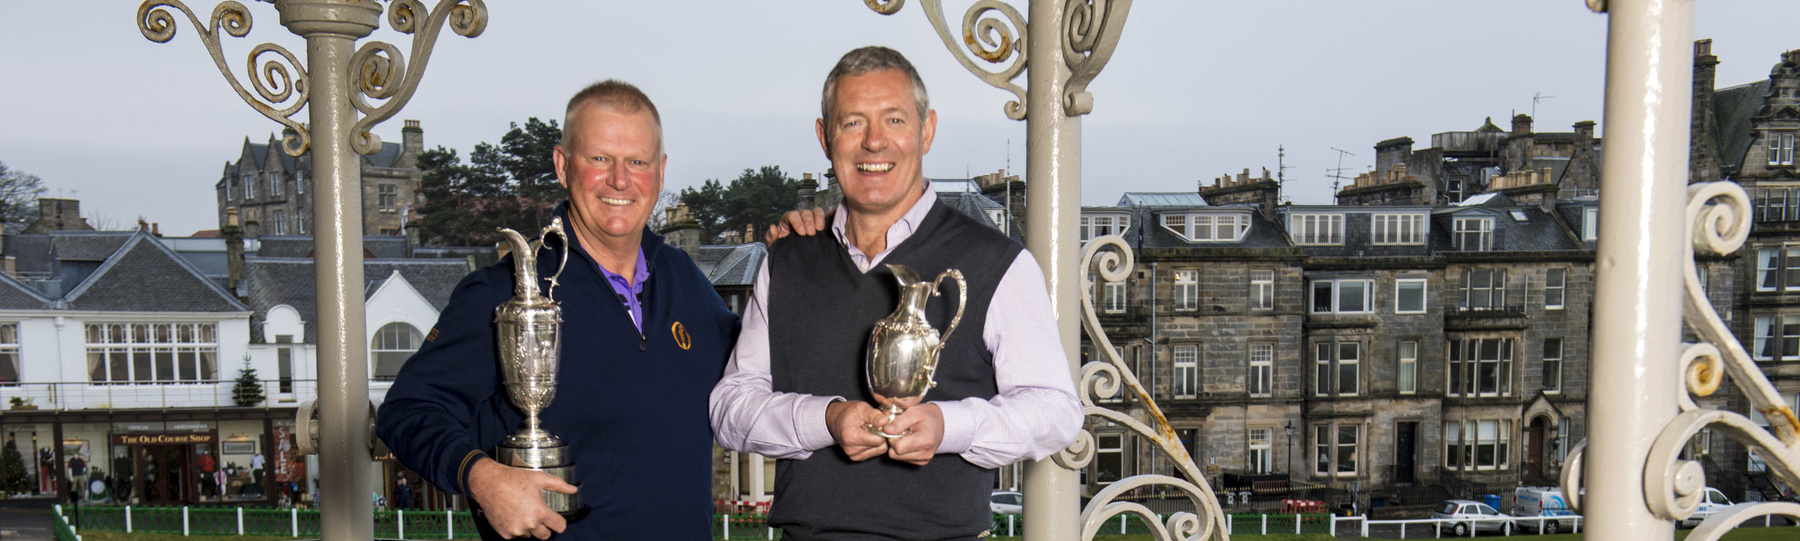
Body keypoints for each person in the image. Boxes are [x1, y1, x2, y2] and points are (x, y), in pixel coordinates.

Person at [710, 46, 1084, 540]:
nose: (874, 143)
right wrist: (827, 418)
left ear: (926, 130)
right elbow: (730, 408)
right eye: (852, 123)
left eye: (893, 120)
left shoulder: (999, 263)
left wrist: (948, 427)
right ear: (825, 138)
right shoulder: (787, 262)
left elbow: (1057, 412)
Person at [377, 79, 740, 540]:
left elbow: (761, 366)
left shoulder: (685, 279)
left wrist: (804, 254)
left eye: (637, 162)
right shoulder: (505, 292)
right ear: (562, 165)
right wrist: (483, 478)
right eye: (599, 159)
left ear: (661, 172)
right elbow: (406, 410)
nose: (620, 180)